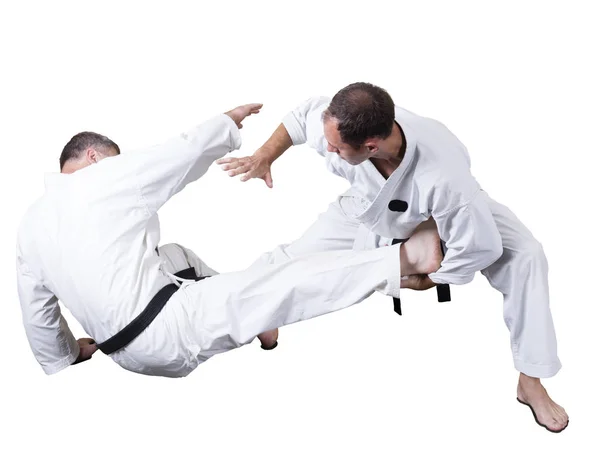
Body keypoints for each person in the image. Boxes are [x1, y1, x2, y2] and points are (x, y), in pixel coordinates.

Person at [216, 83, 569, 433]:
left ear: (371, 146)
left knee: (526, 256)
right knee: (294, 259)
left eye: (337, 149)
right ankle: (259, 311)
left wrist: (427, 280)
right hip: (368, 206)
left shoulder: (444, 178)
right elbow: (298, 119)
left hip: (436, 210)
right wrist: (264, 155)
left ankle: (531, 382)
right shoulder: (344, 122)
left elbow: (480, 247)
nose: (327, 149)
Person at [16, 102, 442, 380]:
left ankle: (259, 320)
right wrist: (224, 126)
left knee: (177, 256)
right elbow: (173, 156)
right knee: (285, 283)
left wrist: (66, 356)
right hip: (168, 329)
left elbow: (37, 309)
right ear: (94, 157)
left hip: (125, 355)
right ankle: (404, 259)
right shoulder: (101, 176)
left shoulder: (31, 227)